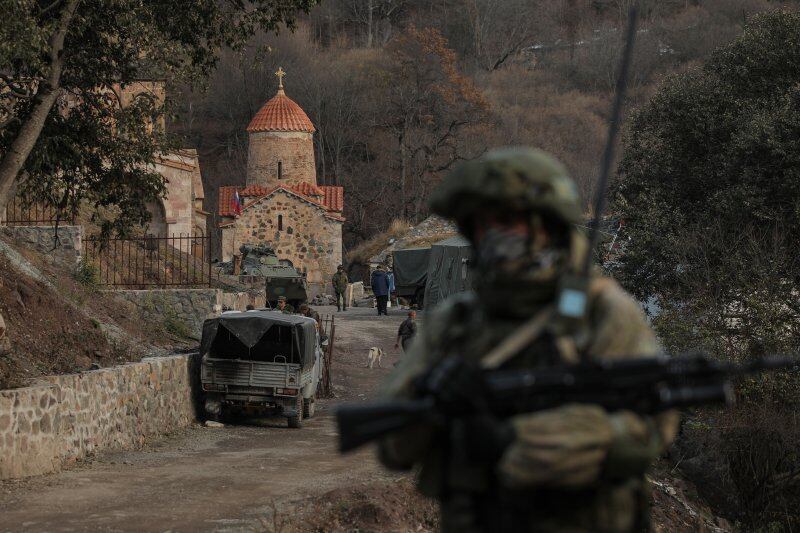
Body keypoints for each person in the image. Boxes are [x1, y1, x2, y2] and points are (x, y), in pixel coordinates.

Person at [377, 147, 679, 533]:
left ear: (546, 225)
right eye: (482, 223)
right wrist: (433, 403)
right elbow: (391, 445)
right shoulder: (457, 322)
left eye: (508, 220)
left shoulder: (601, 310)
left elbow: (656, 423)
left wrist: (568, 438)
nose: (495, 234)